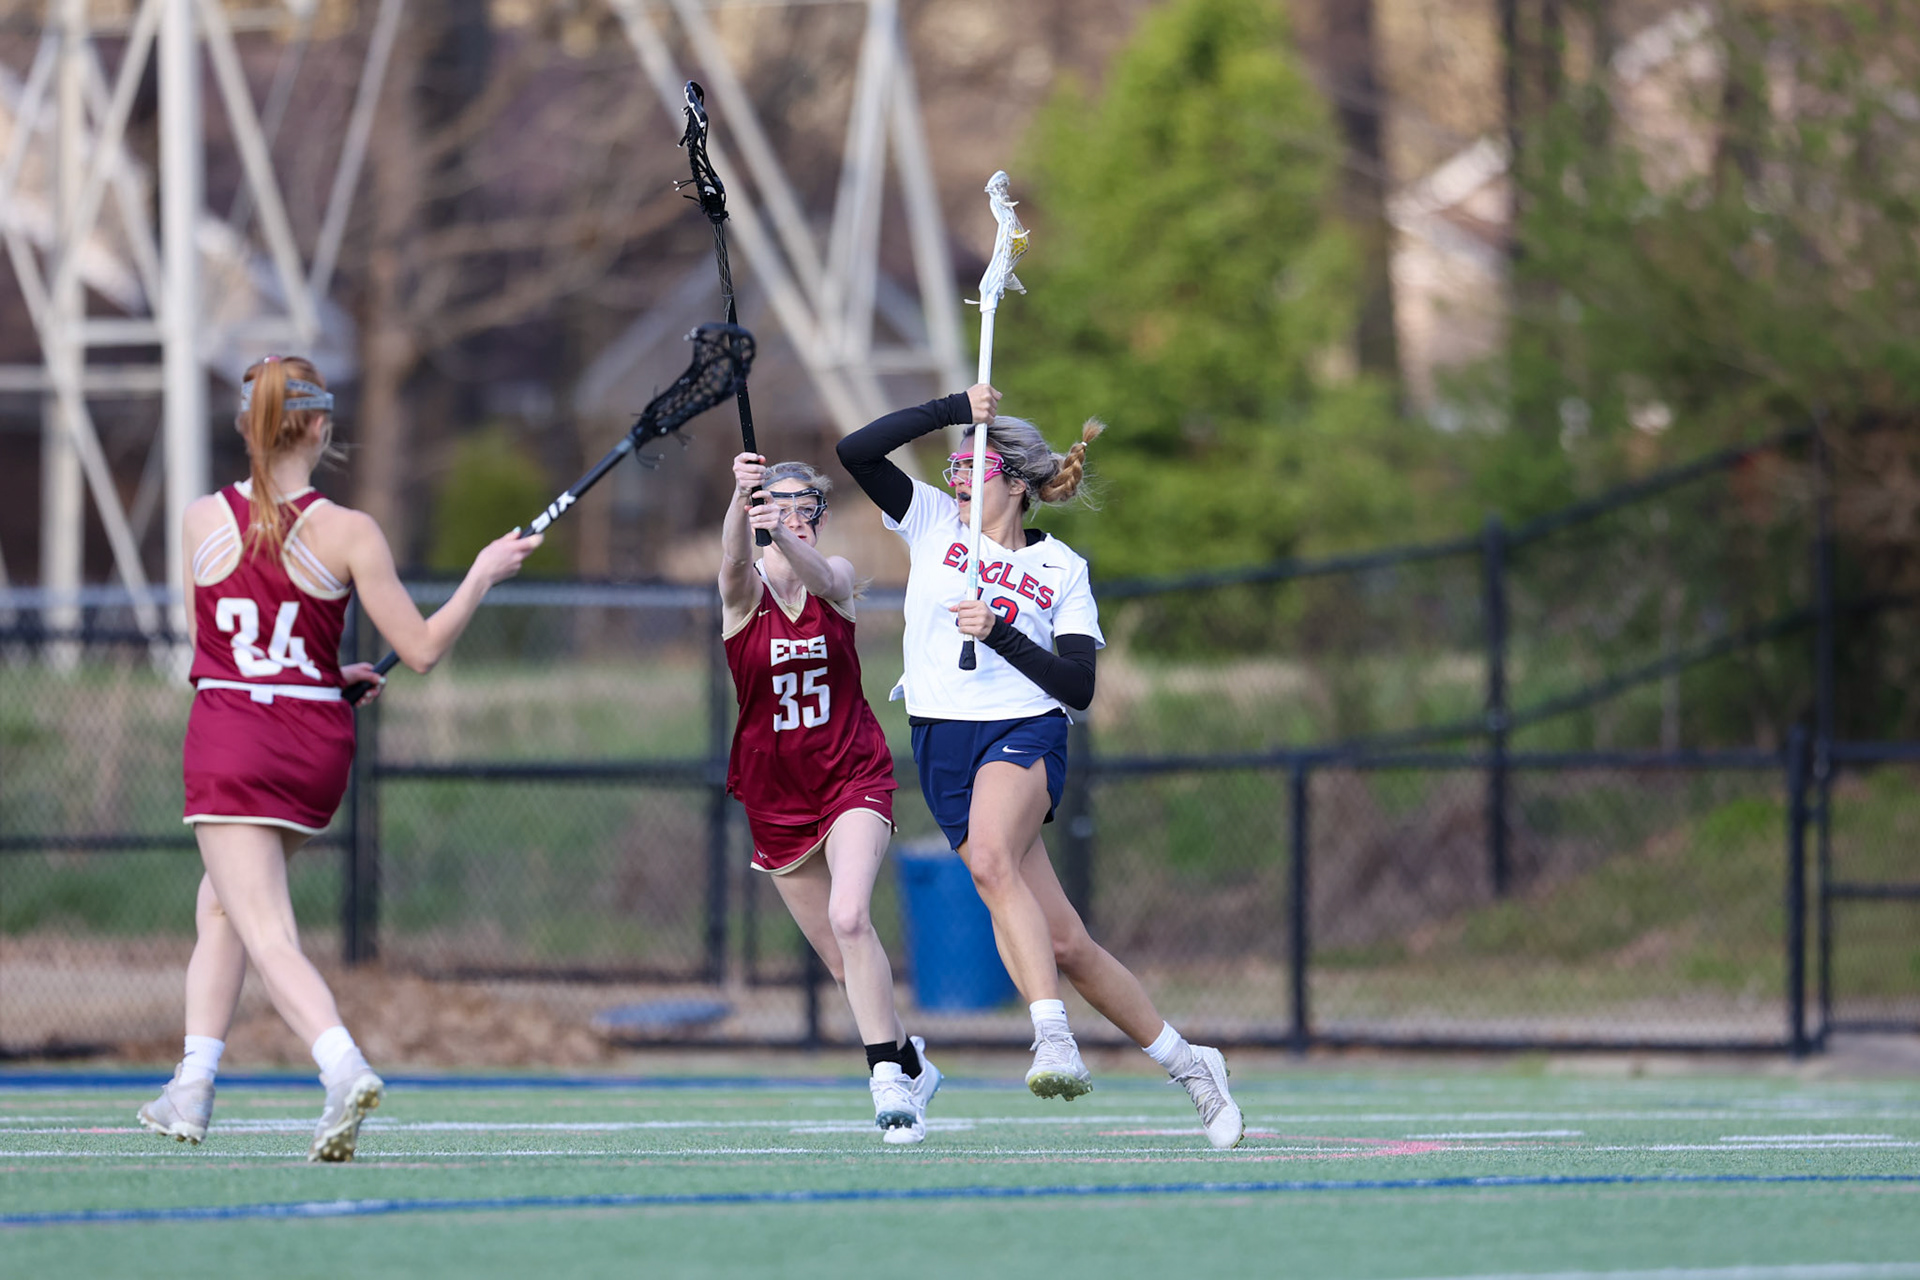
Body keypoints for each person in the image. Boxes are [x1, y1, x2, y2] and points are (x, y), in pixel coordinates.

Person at [137, 355, 542, 1162]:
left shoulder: (199, 521)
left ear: (246, 426)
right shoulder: (351, 530)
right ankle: (193, 1082)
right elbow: (420, 649)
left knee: (263, 926)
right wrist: (479, 577)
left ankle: (340, 1064)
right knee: (220, 904)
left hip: (234, 742)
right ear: (319, 425)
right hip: (314, 744)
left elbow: (215, 650)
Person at [837, 385, 1245, 1150]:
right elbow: (855, 450)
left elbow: (1079, 687)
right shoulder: (929, 520)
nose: (957, 471)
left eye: (975, 461)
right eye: (954, 460)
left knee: (992, 859)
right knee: (1064, 944)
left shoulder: (1060, 568)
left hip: (1024, 729)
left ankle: (1052, 1036)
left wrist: (998, 632)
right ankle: (1192, 1065)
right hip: (941, 740)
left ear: (1016, 482)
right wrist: (954, 405)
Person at [719, 452, 942, 1144]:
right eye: (776, 503)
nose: (793, 515)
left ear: (818, 513)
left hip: (852, 775)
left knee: (851, 918)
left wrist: (778, 531)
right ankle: (909, 1060)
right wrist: (737, 500)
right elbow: (730, 570)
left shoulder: (835, 579)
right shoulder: (743, 598)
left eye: (804, 505)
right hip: (775, 794)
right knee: (845, 962)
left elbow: (818, 573)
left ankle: (885, 1081)